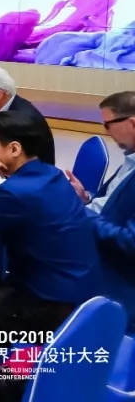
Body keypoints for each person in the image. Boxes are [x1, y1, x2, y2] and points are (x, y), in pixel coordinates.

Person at [0, 112, 99, 333]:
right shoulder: (53, 174)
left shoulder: (14, 192)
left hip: (46, 306)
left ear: (14, 149)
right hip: (79, 293)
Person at [66, 92, 135, 331]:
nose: (106, 131)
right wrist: (85, 199)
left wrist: (83, 214)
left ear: (132, 123)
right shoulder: (130, 158)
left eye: (108, 124)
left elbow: (131, 242)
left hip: (118, 278)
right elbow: (114, 203)